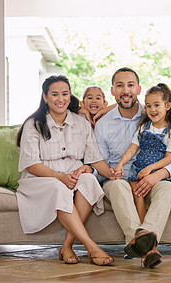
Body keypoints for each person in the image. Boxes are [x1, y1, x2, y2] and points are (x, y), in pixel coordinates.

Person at [94, 67, 171, 268]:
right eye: (119, 85)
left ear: (138, 89)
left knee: (167, 187)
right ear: (112, 91)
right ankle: (146, 247)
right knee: (119, 186)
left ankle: (139, 242)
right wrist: (108, 173)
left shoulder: (152, 115)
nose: (125, 90)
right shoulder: (103, 124)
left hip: (151, 175)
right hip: (117, 179)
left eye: (130, 85)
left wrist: (158, 175)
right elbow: (99, 160)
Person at [16, 75, 116, 266]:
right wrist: (59, 176)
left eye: (65, 94)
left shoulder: (82, 123)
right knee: (58, 187)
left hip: (72, 175)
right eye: (54, 94)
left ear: (70, 96)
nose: (60, 99)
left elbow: (95, 158)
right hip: (42, 178)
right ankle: (91, 247)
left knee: (89, 180)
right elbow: (31, 164)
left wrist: (112, 173)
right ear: (45, 97)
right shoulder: (33, 124)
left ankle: (67, 245)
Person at [114, 83, 171, 223]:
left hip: (155, 171)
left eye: (157, 105)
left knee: (144, 191)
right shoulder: (143, 127)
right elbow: (132, 149)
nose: (152, 109)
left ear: (167, 106)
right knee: (136, 192)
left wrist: (150, 168)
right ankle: (141, 228)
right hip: (138, 170)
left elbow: (170, 158)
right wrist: (120, 164)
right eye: (148, 106)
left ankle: (144, 231)